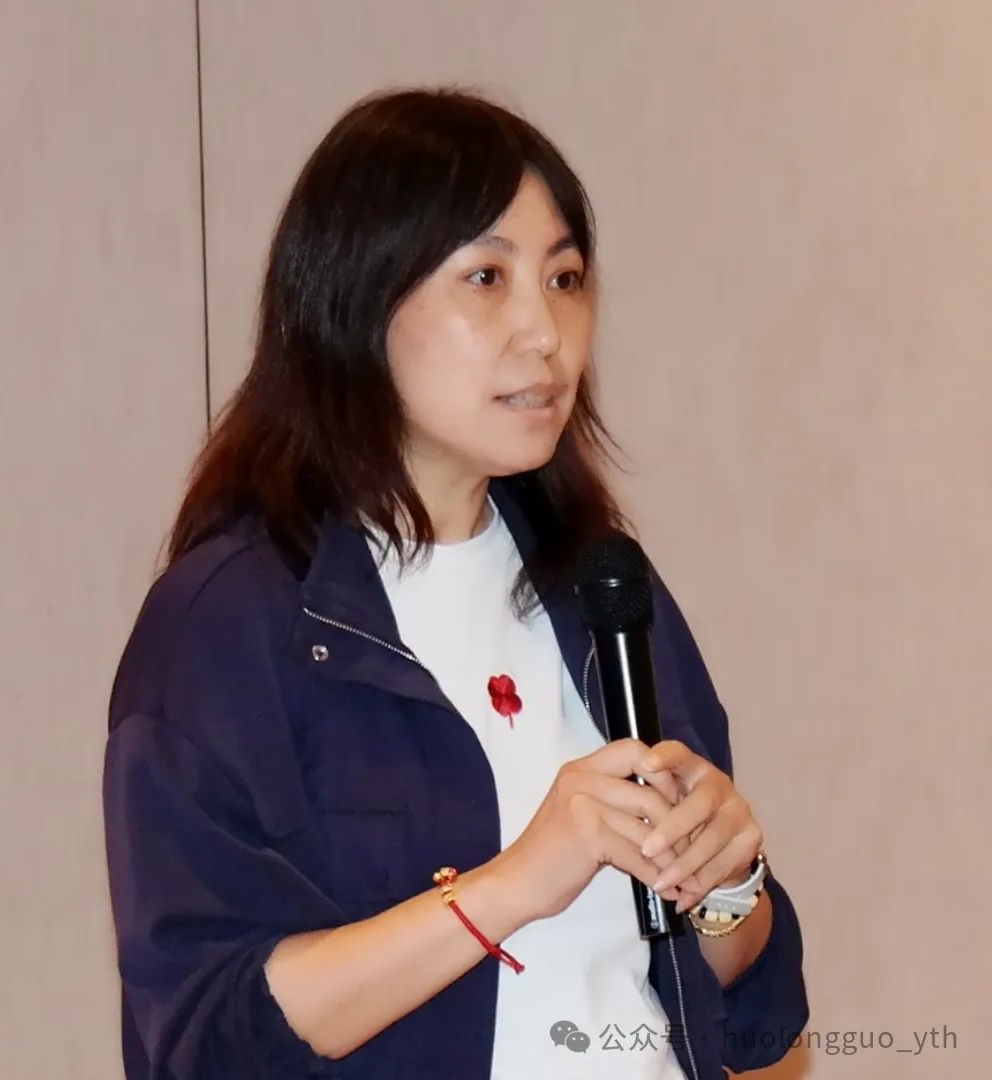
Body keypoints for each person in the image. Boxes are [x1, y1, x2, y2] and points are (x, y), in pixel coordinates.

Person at [102, 86, 808, 1079]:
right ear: (356, 304)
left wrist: (729, 885)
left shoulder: (599, 586)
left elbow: (752, 1017)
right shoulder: (229, 623)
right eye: (486, 278)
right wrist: (512, 886)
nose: (545, 332)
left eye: (565, 279)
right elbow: (205, 1035)